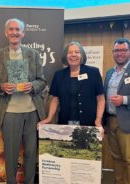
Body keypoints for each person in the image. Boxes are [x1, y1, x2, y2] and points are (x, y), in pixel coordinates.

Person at [0, 18, 46, 184]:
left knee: (30, 153)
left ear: (23, 33)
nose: (15, 32)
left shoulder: (33, 54)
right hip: (9, 112)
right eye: (11, 29)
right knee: (11, 153)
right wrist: (2, 86)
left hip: (31, 111)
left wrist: (32, 85)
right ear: (6, 33)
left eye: (18, 30)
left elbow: (42, 81)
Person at [39, 41, 105, 127]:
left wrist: (98, 119)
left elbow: (101, 99)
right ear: (66, 56)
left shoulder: (93, 72)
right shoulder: (59, 75)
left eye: (77, 52)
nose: (73, 55)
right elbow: (55, 99)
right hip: (65, 122)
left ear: (82, 55)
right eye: (70, 52)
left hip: (89, 123)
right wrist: (49, 118)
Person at [104, 38, 130, 184]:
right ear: (113, 52)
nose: (120, 53)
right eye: (117, 50)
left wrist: (124, 100)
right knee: (116, 157)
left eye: (123, 50)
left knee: (128, 159)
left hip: (127, 122)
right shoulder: (109, 72)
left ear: (129, 52)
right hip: (111, 120)